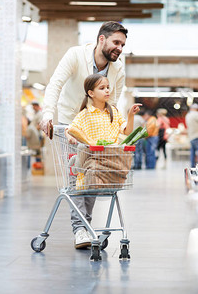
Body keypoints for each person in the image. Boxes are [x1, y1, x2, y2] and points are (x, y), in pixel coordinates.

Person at [40, 21, 128, 249]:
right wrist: (47, 114)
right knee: (76, 177)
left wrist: (114, 129)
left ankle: (85, 227)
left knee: (93, 176)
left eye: (123, 44)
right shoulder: (76, 55)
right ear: (101, 39)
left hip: (98, 128)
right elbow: (55, 84)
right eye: (116, 42)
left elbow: (114, 101)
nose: (120, 48)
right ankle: (80, 229)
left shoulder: (118, 68)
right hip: (72, 125)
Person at [67, 74, 141, 249]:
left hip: (109, 161)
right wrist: (80, 139)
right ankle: (81, 230)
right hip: (92, 159)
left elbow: (126, 131)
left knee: (90, 193)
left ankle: (85, 229)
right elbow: (73, 129)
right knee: (85, 186)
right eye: (102, 88)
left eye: (107, 87)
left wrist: (130, 115)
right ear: (91, 93)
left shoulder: (113, 112)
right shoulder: (85, 114)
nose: (107, 90)